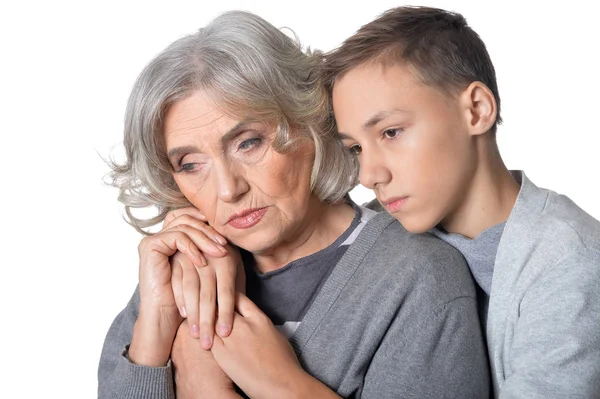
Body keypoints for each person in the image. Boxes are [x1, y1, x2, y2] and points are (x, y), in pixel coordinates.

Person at [97, 10, 490, 399]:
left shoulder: (418, 277)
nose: (227, 190)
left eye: (248, 142)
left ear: (310, 120)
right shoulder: (186, 271)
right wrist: (156, 324)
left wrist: (208, 389)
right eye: (190, 164)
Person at [323, 5, 600, 398]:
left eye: (390, 132)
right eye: (355, 148)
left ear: (476, 110)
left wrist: (281, 382)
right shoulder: (377, 230)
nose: (369, 175)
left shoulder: (570, 266)